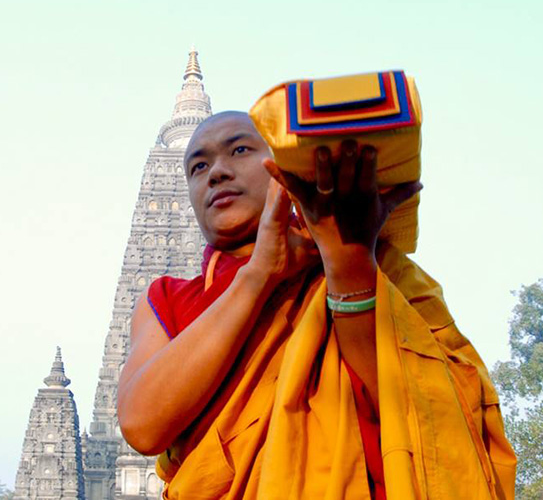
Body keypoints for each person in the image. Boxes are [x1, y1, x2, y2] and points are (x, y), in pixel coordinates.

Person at [117, 111, 516, 499]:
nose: (217, 172)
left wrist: (347, 262)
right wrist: (259, 275)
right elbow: (143, 426)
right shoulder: (166, 300)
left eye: (239, 150)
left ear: (284, 168)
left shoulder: (370, 264)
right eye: (198, 166)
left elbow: (420, 413)